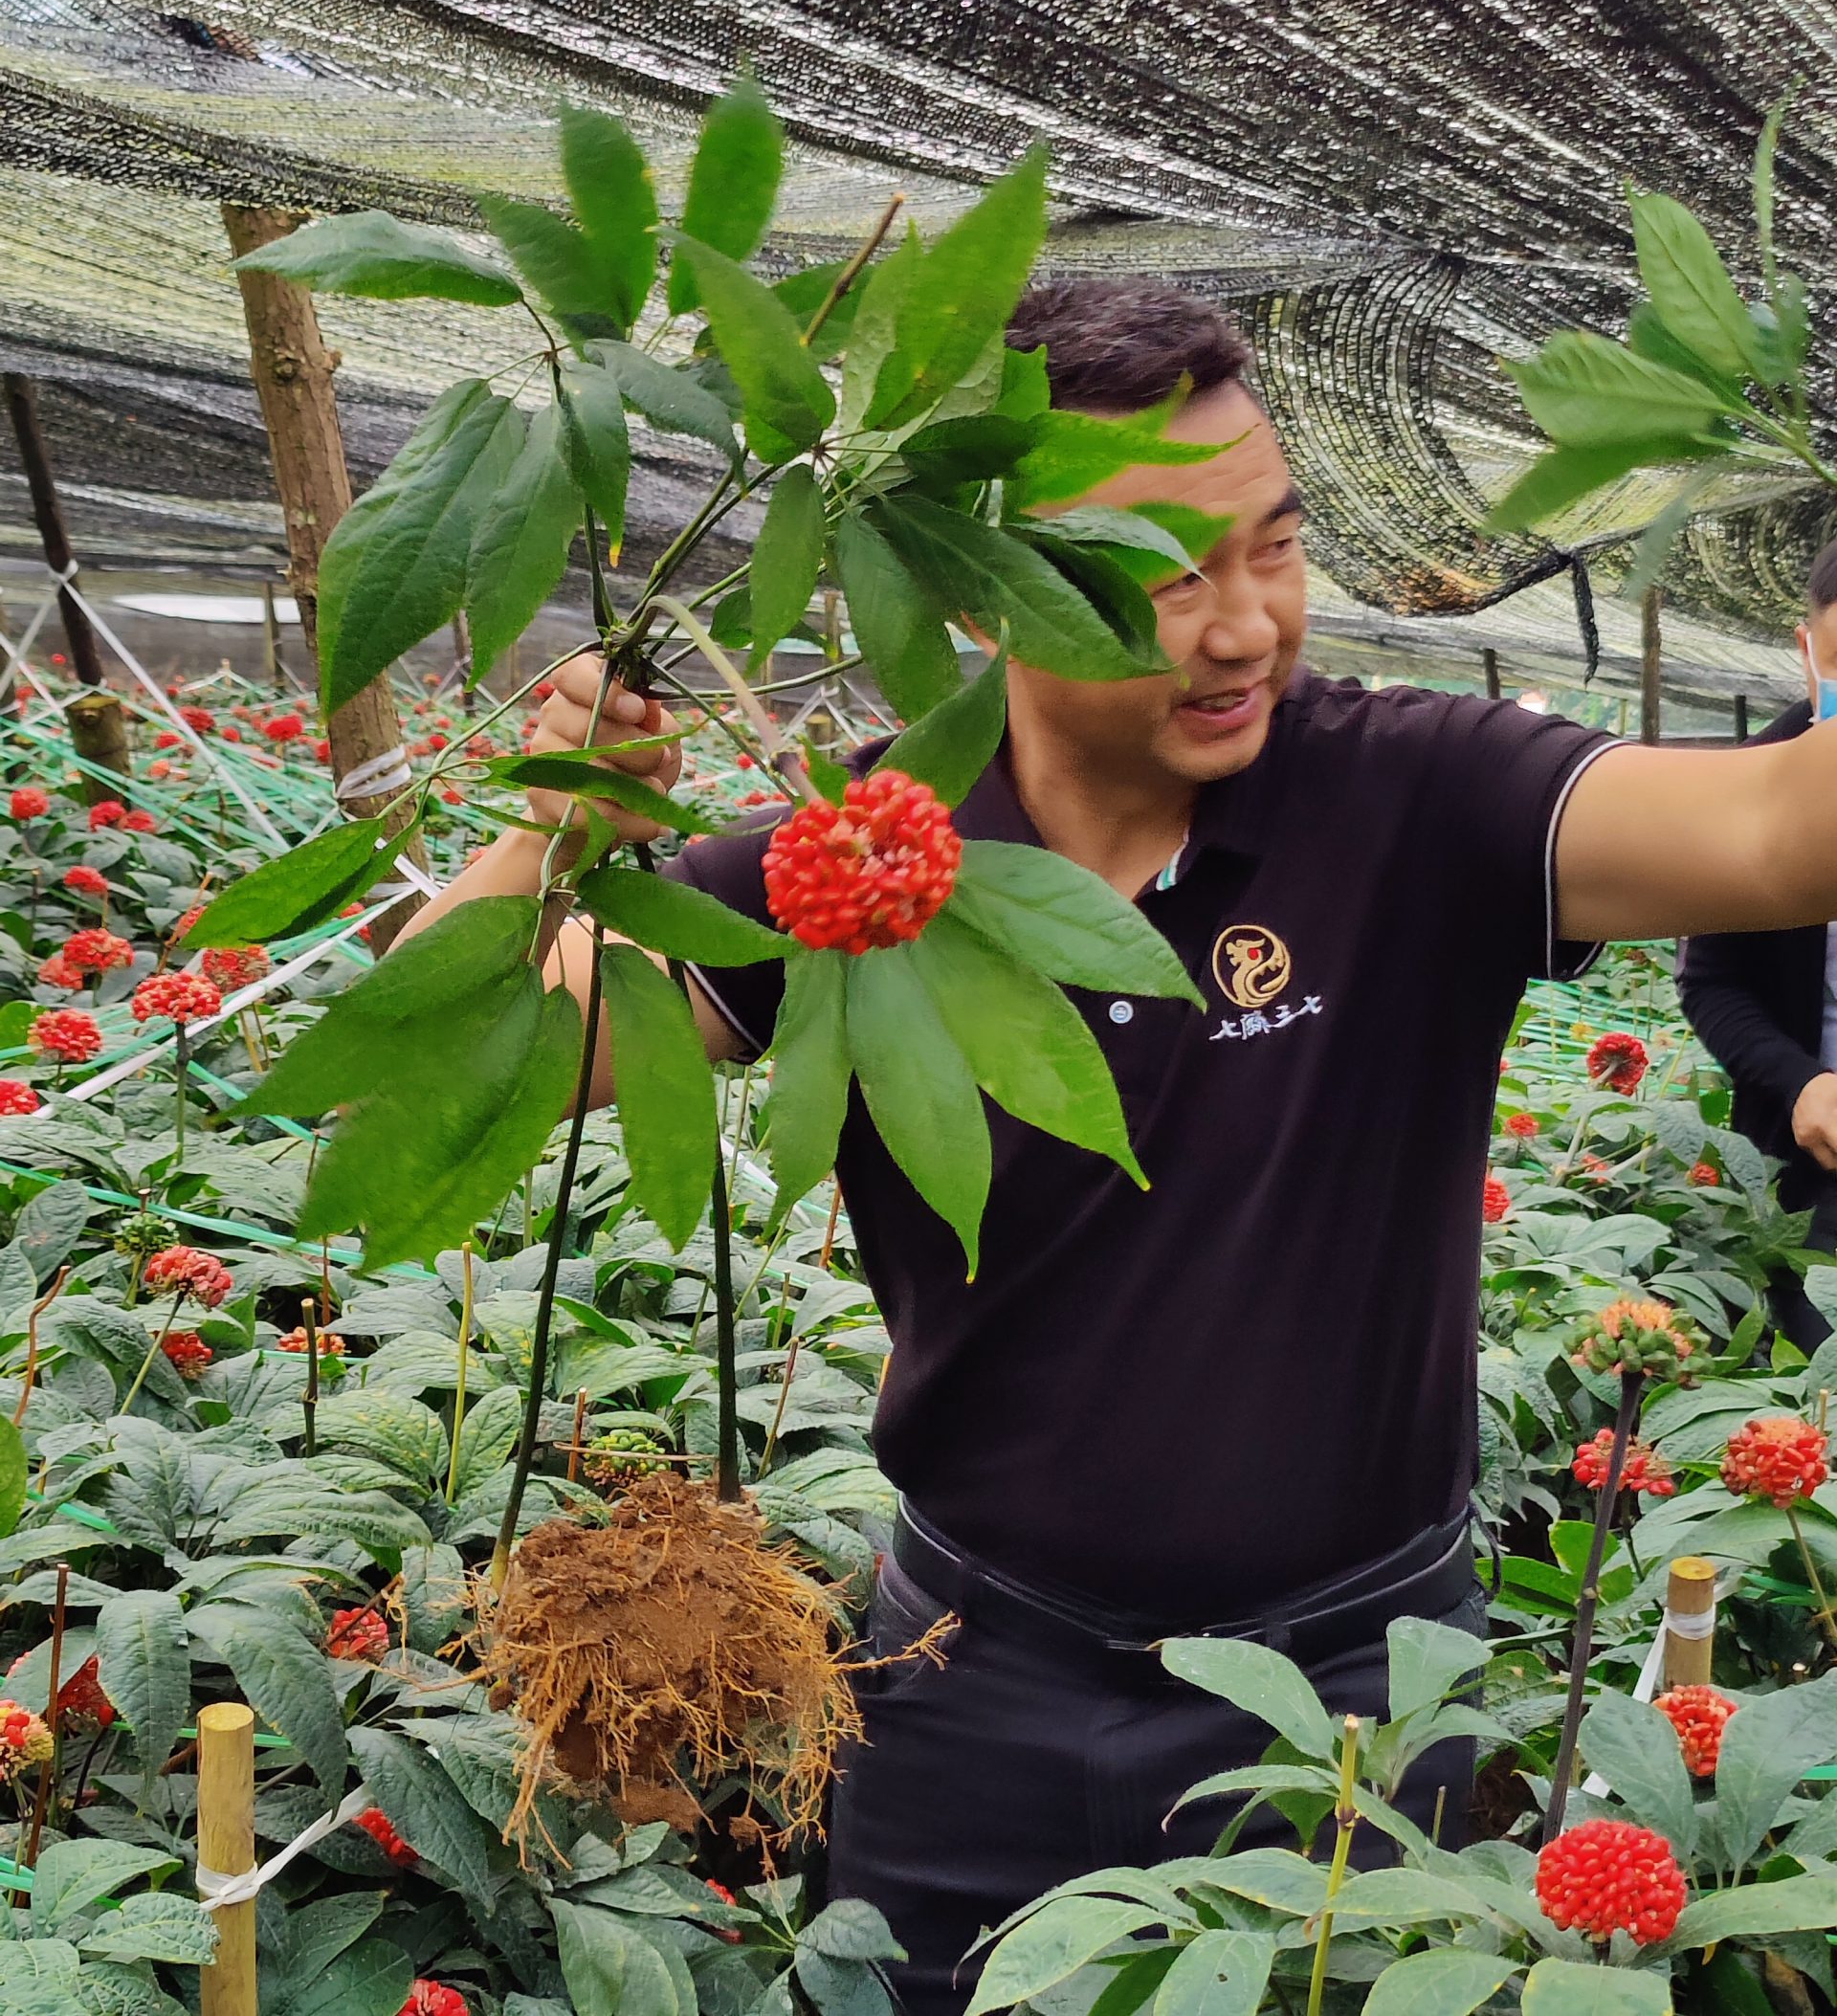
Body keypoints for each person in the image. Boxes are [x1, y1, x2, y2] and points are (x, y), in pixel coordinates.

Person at [406, 277, 1837, 2015]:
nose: (1244, 625)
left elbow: (1778, 838)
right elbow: (449, 1060)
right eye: (1164, 573)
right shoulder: (861, 867)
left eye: (1274, 549)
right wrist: (548, 830)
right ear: (977, 591)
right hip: (966, 1676)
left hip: (1356, 1687)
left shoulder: (1412, 803)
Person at [1676, 543, 1837, 1353]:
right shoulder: (1751, 795)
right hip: (1810, 1174)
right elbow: (1711, 984)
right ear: (1804, 648)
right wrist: (1801, 1081)